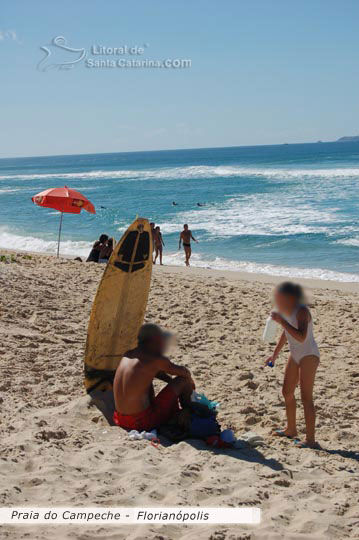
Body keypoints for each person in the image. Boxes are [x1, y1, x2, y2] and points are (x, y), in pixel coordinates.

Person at [266, 282, 320, 449]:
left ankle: (310, 440)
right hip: (295, 354)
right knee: (287, 392)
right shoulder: (287, 311)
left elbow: (302, 337)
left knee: (306, 397)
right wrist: (275, 354)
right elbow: (286, 333)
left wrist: (282, 321)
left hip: (309, 355)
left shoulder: (302, 311)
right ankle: (291, 429)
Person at [113, 323, 195, 432]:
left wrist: (170, 381)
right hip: (141, 422)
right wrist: (189, 383)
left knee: (152, 382)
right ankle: (189, 413)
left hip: (120, 419)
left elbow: (155, 372)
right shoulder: (155, 359)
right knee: (183, 381)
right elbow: (184, 373)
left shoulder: (129, 354)